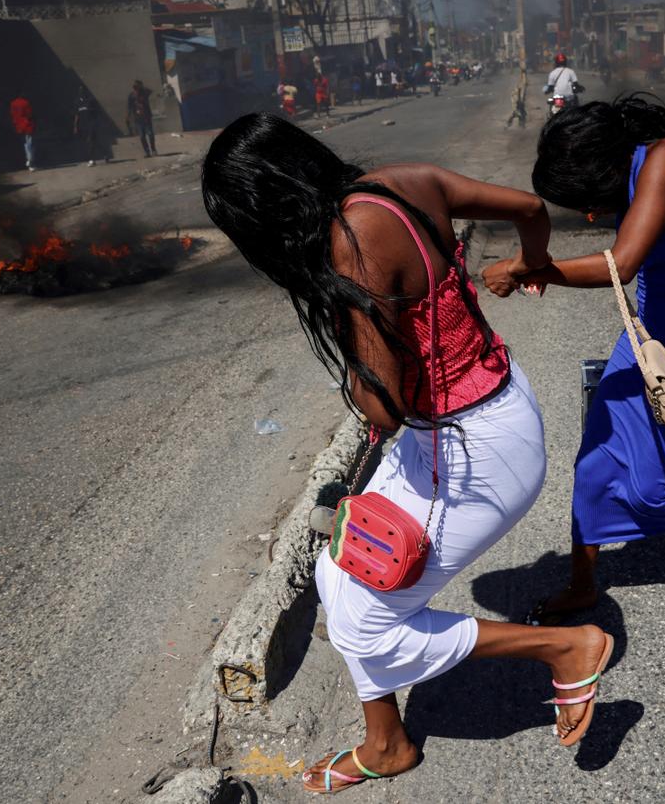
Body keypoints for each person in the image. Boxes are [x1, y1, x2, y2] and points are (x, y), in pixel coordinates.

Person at [200, 113, 615, 792]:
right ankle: (386, 740)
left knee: (366, 623)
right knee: (339, 571)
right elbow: (529, 207)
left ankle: (565, 648)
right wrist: (529, 262)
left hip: (473, 449)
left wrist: (343, 325)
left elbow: (383, 407)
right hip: (485, 415)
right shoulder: (398, 182)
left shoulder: (348, 250)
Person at [482, 95, 665, 625]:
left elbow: (624, 263)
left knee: (648, 488)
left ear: (601, 165)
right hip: (648, 341)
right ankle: (583, 586)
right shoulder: (634, 172)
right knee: (592, 466)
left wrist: (527, 268)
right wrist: (541, 270)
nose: (590, 211)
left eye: (587, 200)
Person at [73, 87, 104, 167]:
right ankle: (104, 153)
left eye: (82, 91)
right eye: (80, 91)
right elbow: (77, 115)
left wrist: (97, 123)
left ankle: (92, 160)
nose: (81, 92)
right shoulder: (77, 102)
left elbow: (96, 113)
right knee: (91, 142)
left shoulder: (90, 101)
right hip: (83, 125)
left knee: (90, 141)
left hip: (91, 124)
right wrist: (75, 126)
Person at [126, 79, 157, 157]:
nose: (136, 88)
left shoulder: (145, 93)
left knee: (150, 134)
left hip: (146, 117)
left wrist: (142, 88)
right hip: (138, 119)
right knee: (142, 136)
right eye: (135, 86)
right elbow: (129, 107)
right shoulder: (131, 95)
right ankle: (147, 152)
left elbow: (151, 91)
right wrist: (128, 117)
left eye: (137, 86)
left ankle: (153, 149)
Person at [9, 93, 35, 171]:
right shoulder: (26, 103)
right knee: (29, 144)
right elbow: (29, 114)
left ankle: (26, 160)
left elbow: (12, 114)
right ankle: (29, 161)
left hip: (18, 125)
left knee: (23, 143)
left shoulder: (13, 103)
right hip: (27, 125)